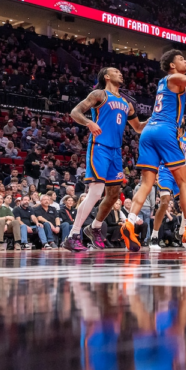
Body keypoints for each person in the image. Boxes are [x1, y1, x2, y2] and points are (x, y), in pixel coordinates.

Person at [123, 50, 186, 251]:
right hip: (165, 130)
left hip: (148, 132)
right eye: (182, 59)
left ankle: (129, 222)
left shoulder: (169, 84)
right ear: (172, 65)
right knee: (183, 183)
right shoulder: (174, 77)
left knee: (147, 184)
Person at [62, 67, 147, 252]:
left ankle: (94, 228)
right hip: (100, 146)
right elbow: (75, 112)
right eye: (116, 71)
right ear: (107, 76)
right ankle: (73, 235)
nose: (121, 73)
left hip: (116, 151)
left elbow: (138, 127)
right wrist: (88, 122)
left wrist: (157, 118)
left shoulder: (127, 103)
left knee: (114, 195)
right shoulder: (99, 94)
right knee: (96, 190)